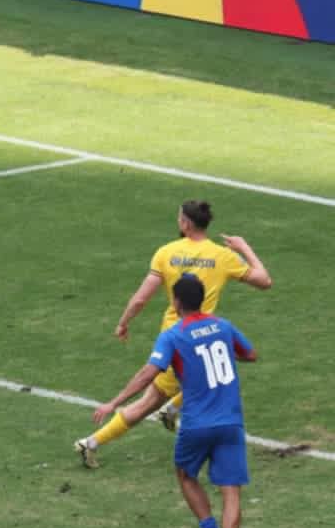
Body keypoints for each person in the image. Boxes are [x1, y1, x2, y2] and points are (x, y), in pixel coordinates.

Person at [75, 200, 271, 468]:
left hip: (176, 332)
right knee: (150, 401)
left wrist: (123, 322)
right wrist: (244, 247)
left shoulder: (166, 252)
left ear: (186, 223)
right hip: (197, 335)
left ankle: (171, 409)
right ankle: (91, 442)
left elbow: (141, 298)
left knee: (211, 375)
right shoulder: (223, 256)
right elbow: (264, 281)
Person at [98, 277, 256, 528]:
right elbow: (250, 354)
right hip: (231, 422)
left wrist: (114, 402)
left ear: (176, 302)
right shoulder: (223, 326)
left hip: (196, 424)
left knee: (185, 475)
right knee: (231, 490)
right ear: (202, 299)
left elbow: (148, 374)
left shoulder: (173, 335)